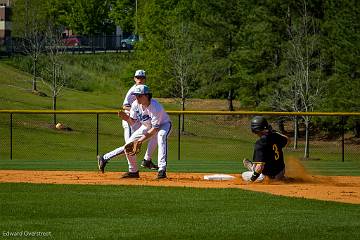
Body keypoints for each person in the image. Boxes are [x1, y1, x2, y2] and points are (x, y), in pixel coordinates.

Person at [98, 85, 172, 179]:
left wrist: (140, 141)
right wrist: (126, 118)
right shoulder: (135, 104)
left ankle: (162, 170)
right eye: (136, 95)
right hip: (146, 126)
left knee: (161, 136)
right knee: (128, 146)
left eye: (139, 95)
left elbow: (155, 129)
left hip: (163, 125)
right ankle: (133, 171)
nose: (137, 97)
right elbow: (133, 122)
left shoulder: (156, 107)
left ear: (147, 95)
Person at [120, 69, 158, 170]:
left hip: (138, 119)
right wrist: (136, 109)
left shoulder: (144, 89)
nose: (140, 79)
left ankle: (146, 161)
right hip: (129, 119)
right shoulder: (133, 90)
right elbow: (124, 106)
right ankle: (132, 169)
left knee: (152, 136)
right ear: (134, 78)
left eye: (142, 78)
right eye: (138, 77)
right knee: (129, 145)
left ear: (145, 79)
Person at [242, 116, 289, 182]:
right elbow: (287, 139)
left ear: (255, 130)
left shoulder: (260, 143)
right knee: (262, 161)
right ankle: (253, 167)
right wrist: (274, 132)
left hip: (268, 177)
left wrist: (252, 180)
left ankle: (252, 168)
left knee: (244, 174)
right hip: (281, 173)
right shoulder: (276, 136)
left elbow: (260, 167)